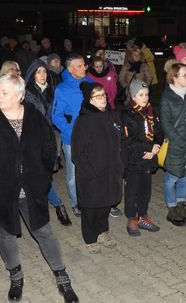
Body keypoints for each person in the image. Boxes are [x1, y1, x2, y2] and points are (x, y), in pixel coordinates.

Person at [0, 74, 78, 303]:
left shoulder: (35, 118)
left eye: (4, 92)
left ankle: (61, 274)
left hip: (32, 189)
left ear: (19, 95)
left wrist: (43, 179)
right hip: (2, 191)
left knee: (44, 232)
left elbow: (49, 149)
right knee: (6, 234)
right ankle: (15, 275)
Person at [72, 82, 124, 253]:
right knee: (91, 208)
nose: (103, 98)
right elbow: (77, 153)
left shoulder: (112, 116)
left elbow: (120, 140)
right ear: (90, 99)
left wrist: (119, 163)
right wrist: (91, 171)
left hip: (111, 171)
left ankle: (102, 232)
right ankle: (90, 238)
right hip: (92, 175)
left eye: (103, 95)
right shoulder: (83, 121)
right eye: (98, 96)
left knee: (105, 204)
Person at [24, 59, 72, 226]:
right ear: (32, 74)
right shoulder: (26, 93)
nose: (42, 75)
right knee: (40, 175)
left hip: (49, 138)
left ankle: (53, 204)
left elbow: (57, 113)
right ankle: (58, 205)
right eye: (38, 72)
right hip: (32, 139)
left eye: (44, 71)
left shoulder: (53, 91)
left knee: (44, 174)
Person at [159, 63, 186, 226]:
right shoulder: (167, 98)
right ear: (174, 77)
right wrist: (184, 143)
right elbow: (167, 126)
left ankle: (180, 205)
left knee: (185, 176)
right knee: (172, 177)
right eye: (184, 75)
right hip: (176, 145)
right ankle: (172, 209)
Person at [121, 80, 163, 236]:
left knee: (145, 189)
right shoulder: (127, 114)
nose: (145, 98)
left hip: (148, 158)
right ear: (133, 96)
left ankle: (143, 215)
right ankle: (131, 217)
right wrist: (148, 148)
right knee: (132, 189)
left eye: (146, 94)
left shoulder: (151, 112)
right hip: (134, 159)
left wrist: (155, 147)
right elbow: (128, 140)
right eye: (141, 95)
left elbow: (159, 132)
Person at [52, 54, 92, 217]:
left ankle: (92, 198)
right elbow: (56, 116)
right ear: (70, 69)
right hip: (72, 140)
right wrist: (72, 131)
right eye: (80, 66)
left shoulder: (90, 83)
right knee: (73, 175)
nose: (84, 68)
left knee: (92, 170)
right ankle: (76, 202)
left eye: (84, 65)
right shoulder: (62, 89)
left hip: (92, 138)